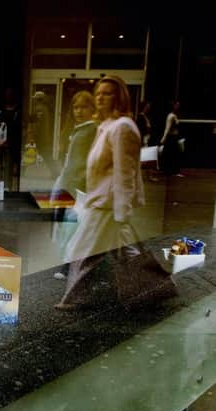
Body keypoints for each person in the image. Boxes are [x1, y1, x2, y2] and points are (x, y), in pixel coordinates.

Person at [55, 75, 145, 310]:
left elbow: (126, 173)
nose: (101, 97)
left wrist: (122, 211)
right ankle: (151, 287)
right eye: (98, 93)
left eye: (107, 93)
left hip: (109, 202)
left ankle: (75, 298)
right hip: (101, 200)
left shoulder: (123, 128)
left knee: (83, 250)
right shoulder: (106, 127)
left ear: (119, 97)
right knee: (125, 251)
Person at [50, 90, 97, 279]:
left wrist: (84, 179)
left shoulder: (92, 129)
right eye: (76, 107)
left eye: (84, 107)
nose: (79, 111)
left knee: (73, 228)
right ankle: (68, 264)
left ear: (91, 108)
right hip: (68, 184)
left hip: (80, 188)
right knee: (65, 227)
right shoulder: (77, 129)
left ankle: (69, 266)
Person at [0, 87, 20, 189]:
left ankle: (9, 190)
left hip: (12, 145)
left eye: (10, 94)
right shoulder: (0, 111)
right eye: (7, 94)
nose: (8, 96)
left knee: (11, 170)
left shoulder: (18, 112)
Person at [160, 100, 185, 177]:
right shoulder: (171, 116)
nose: (178, 106)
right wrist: (164, 138)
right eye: (177, 105)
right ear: (173, 106)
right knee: (171, 154)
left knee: (173, 154)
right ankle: (170, 171)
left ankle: (172, 171)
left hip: (174, 137)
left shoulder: (174, 115)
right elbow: (167, 128)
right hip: (171, 138)